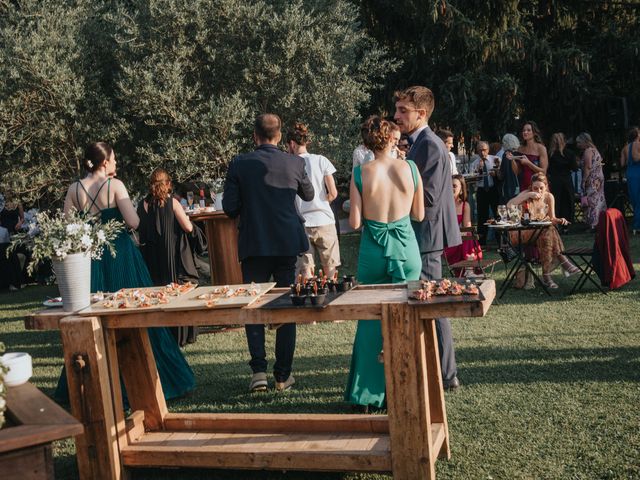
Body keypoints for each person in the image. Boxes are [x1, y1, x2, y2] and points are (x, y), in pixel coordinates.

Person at [57, 142, 195, 403]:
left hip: (92, 259)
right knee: (137, 315)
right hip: (120, 255)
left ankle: (92, 386)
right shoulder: (115, 186)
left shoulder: (75, 189)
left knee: (93, 320)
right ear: (105, 162)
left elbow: (68, 225)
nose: (117, 163)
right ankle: (157, 379)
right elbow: (133, 221)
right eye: (115, 159)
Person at [223, 114, 314, 392]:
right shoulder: (295, 162)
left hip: (254, 241)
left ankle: (259, 373)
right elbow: (309, 195)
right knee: (287, 304)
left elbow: (229, 207)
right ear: (279, 136)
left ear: (255, 136)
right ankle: (283, 375)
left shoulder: (240, 163)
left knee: (254, 305)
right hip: (286, 241)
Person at [344, 116, 424, 409]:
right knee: (408, 317)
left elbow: (354, 222)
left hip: (373, 251)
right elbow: (419, 216)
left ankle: (366, 396)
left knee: (369, 320)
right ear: (392, 139)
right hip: (406, 249)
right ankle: (406, 388)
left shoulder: (360, 173)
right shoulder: (411, 168)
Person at [393, 86, 462, 391]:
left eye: (402, 111)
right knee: (427, 302)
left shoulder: (431, 146)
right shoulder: (419, 144)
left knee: (433, 304)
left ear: (421, 113)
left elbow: (430, 198)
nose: (396, 117)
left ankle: (447, 376)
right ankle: (437, 370)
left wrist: (391, 194)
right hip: (423, 234)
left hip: (427, 235)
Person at [138, 167, 199, 346]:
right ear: (168, 184)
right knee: (178, 292)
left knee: (157, 292)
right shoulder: (172, 203)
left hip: (152, 256)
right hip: (172, 255)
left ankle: (160, 332)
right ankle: (181, 334)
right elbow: (188, 228)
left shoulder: (143, 204)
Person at [286, 122, 340, 279]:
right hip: (325, 220)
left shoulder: (290, 164)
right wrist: (322, 203)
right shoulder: (321, 160)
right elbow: (333, 192)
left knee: (305, 272)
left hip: (301, 223)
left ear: (292, 144)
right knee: (330, 270)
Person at [507, 173, 579, 288]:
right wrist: (529, 195)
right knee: (548, 230)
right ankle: (559, 265)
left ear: (546, 186)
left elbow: (552, 219)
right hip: (521, 232)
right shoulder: (526, 194)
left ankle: (547, 275)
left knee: (548, 231)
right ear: (531, 187)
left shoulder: (549, 197)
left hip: (541, 232)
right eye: (535, 188)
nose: (538, 191)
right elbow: (509, 205)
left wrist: (560, 220)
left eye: (541, 188)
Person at [443, 175, 482, 277]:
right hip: (447, 243)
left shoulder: (465, 205)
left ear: (461, 189)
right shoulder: (443, 205)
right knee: (467, 236)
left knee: (468, 234)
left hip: (460, 241)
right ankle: (469, 270)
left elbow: (467, 227)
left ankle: (469, 269)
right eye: (449, 185)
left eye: (454, 186)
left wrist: (459, 234)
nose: (451, 188)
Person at [547, 133, 578, 232]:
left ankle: (556, 224)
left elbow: (548, 169)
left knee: (555, 202)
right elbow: (575, 167)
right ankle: (566, 225)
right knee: (567, 202)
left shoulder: (550, 154)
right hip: (566, 180)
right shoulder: (569, 153)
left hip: (555, 180)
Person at [471, 141, 500, 245]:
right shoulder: (474, 163)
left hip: (493, 189)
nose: (483, 152)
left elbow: (501, 175)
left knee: (497, 214)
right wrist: (478, 170)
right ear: (477, 151)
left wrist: (495, 174)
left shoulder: (495, 159)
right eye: (480, 150)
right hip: (481, 190)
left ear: (488, 150)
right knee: (482, 216)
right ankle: (481, 242)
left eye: (485, 150)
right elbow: (473, 180)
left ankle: (500, 240)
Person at [576, 132, 606, 230]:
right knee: (598, 199)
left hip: (592, 179)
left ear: (584, 142)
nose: (578, 145)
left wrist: (584, 180)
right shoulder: (595, 150)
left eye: (579, 142)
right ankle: (601, 221)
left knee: (591, 201)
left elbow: (588, 167)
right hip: (598, 178)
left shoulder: (588, 151)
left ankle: (593, 223)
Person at [509, 121, 548, 191]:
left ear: (534, 133)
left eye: (528, 130)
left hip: (538, 186)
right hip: (524, 185)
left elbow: (543, 172)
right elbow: (517, 171)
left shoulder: (541, 148)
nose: (525, 132)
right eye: (524, 130)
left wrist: (528, 163)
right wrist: (512, 159)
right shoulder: (520, 148)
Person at [619, 126, 640, 234]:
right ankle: (637, 225)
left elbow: (622, 163)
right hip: (638, 171)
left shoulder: (625, 148)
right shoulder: (638, 144)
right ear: (637, 135)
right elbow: (636, 158)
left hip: (630, 173)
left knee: (635, 200)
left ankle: (636, 226)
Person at [497, 133, 522, 203]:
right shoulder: (520, 153)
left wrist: (497, 171)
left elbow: (502, 175)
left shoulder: (506, 154)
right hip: (520, 186)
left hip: (509, 188)